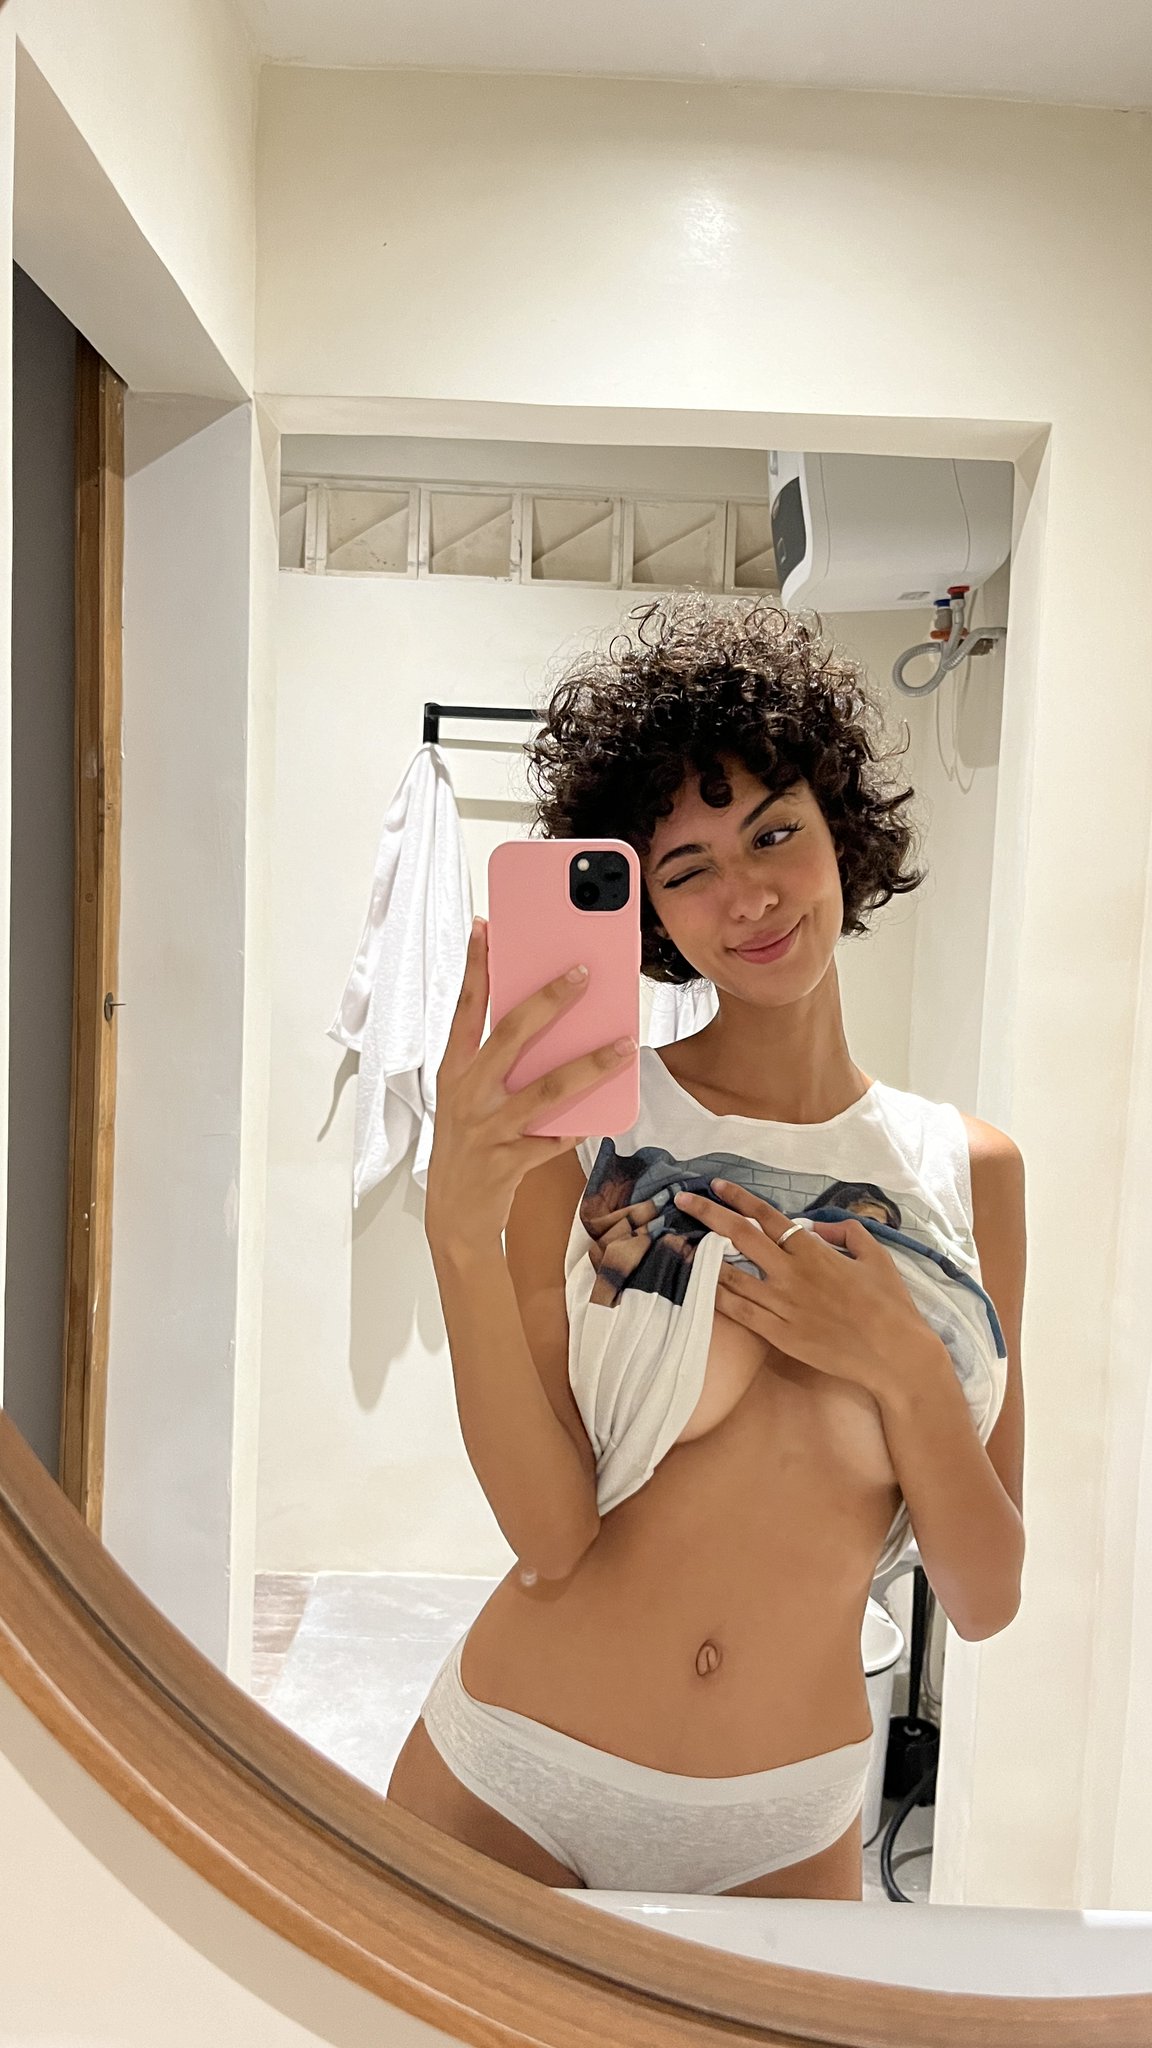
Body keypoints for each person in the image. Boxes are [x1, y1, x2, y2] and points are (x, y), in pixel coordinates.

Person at [386, 593, 1026, 1899]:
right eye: (686, 870)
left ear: (840, 829)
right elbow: (550, 1538)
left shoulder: (971, 1173)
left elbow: (986, 1596)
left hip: (781, 1828)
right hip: (514, 1777)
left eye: (775, 832)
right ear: (650, 913)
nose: (749, 896)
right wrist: (457, 1233)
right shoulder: (586, 1137)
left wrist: (902, 1364)